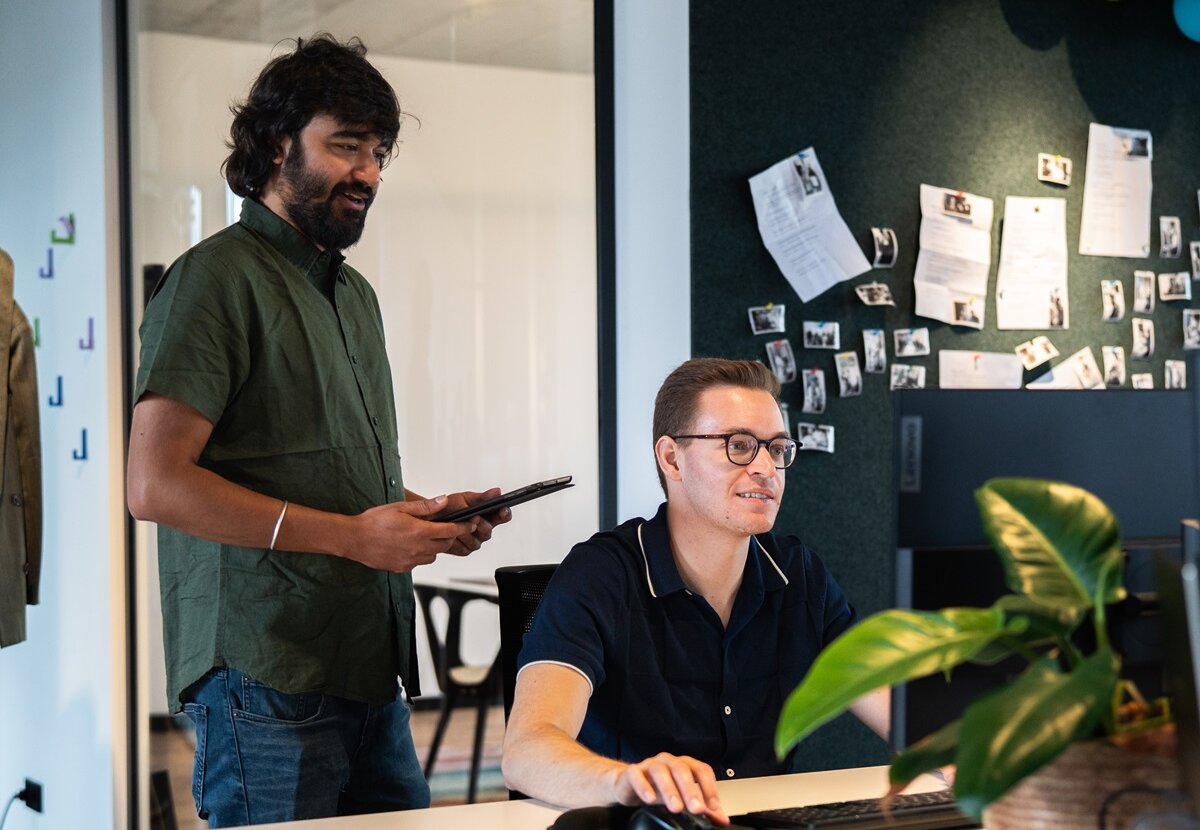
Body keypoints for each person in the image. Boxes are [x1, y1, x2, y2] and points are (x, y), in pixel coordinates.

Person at [126, 35, 510, 827]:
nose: (369, 172)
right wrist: (354, 538)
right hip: (266, 675)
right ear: (277, 144)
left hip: (369, 671)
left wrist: (422, 517)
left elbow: (328, 471)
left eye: (378, 153)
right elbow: (154, 484)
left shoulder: (353, 295)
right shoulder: (214, 280)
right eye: (346, 146)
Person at [501, 358, 888, 826]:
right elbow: (526, 751)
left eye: (776, 448)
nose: (766, 468)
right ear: (672, 459)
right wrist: (627, 782)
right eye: (738, 445)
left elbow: (900, 710)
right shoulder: (601, 574)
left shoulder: (798, 573)